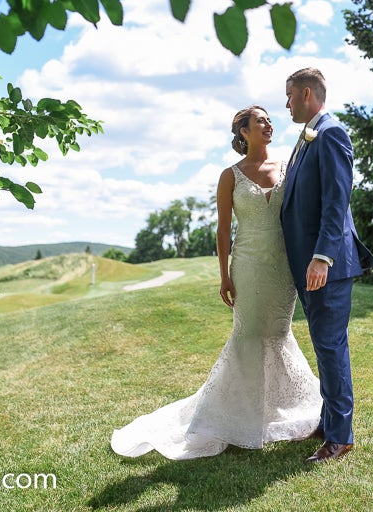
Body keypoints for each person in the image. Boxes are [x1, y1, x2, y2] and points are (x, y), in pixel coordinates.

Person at [110, 105, 322, 460]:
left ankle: (278, 410)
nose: (269, 124)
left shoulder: (289, 167)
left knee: (278, 333)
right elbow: (223, 230)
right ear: (244, 132)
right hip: (248, 265)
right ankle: (231, 416)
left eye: (270, 120)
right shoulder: (230, 176)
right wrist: (224, 274)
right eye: (260, 121)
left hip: (283, 267)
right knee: (248, 335)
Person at [280, 68, 373, 463]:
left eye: (289, 96)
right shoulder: (310, 136)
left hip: (327, 267)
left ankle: (340, 438)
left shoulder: (331, 133)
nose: (287, 104)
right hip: (310, 265)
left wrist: (322, 257)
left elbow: (337, 200)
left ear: (307, 94)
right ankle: (328, 422)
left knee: (331, 348)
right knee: (325, 347)